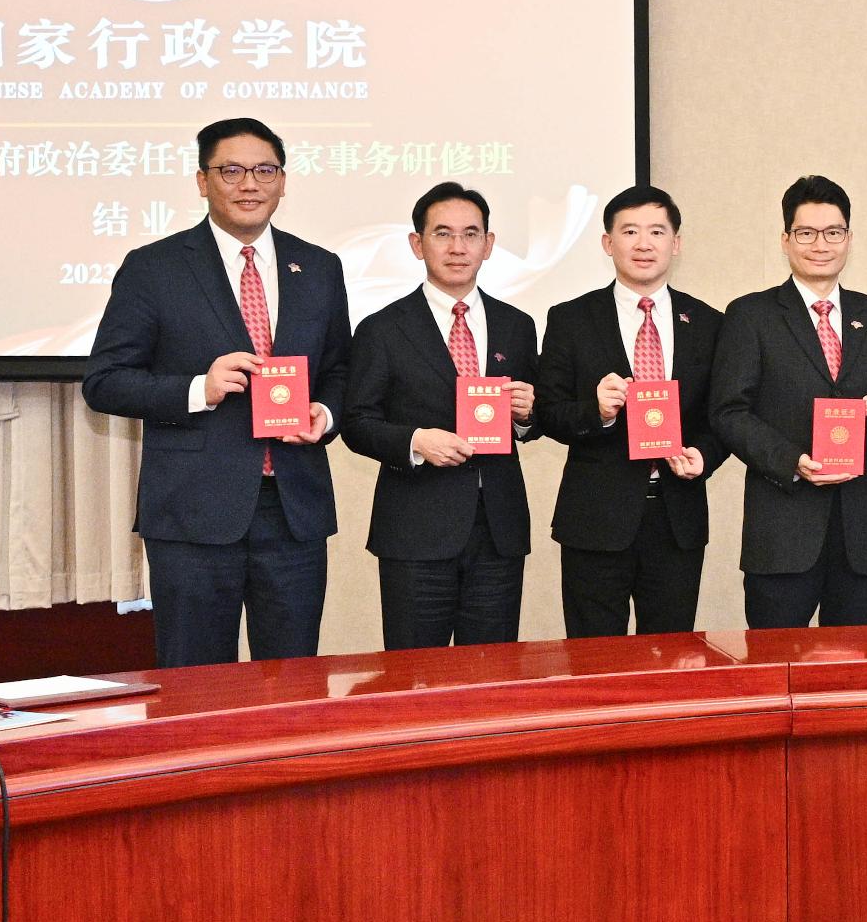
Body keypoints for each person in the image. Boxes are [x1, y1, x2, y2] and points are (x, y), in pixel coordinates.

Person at [81, 115, 351, 666]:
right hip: (193, 514)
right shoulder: (154, 268)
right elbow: (105, 382)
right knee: (196, 684)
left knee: (292, 682)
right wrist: (198, 389)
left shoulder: (319, 268)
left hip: (293, 510)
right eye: (231, 170)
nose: (249, 184)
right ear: (203, 181)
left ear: (283, 180)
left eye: (264, 170)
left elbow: (341, 371)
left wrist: (325, 412)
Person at [338, 182, 539, 650]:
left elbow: (531, 422)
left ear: (489, 245)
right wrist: (414, 441)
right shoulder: (382, 328)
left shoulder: (518, 324)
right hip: (415, 532)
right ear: (417, 243)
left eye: (471, 234)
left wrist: (529, 414)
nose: (457, 247)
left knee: (490, 678)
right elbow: (357, 422)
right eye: (442, 234)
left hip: (498, 530)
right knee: (415, 679)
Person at [707, 175, 867, 629]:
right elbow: (728, 411)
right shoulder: (751, 315)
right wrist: (792, 460)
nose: (821, 244)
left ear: (849, 238)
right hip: (782, 526)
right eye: (806, 233)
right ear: (785, 239)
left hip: (862, 531)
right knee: (776, 674)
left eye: (833, 232)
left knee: (854, 674)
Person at [535, 185, 722, 637]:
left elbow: (723, 415)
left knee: (672, 658)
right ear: (607, 242)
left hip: (677, 518)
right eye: (630, 231)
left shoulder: (710, 323)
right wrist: (597, 412)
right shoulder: (571, 319)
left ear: (675, 244)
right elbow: (547, 413)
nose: (644, 244)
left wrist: (704, 455)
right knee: (594, 662)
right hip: (595, 521)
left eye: (657, 231)